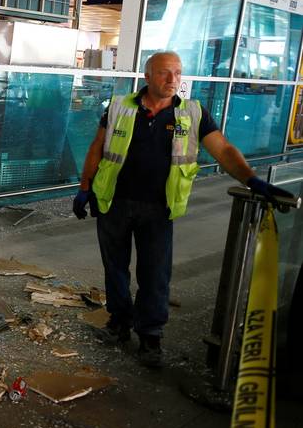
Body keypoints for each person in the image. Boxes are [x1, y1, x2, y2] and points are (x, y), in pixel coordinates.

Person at [73, 51, 293, 368]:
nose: (173, 79)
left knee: (155, 275)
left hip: (159, 209)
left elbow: (224, 149)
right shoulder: (120, 107)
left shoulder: (192, 113)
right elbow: (98, 147)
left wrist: (252, 180)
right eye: (164, 73)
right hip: (113, 202)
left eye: (177, 72)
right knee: (115, 268)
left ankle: (150, 337)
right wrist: (84, 188)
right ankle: (119, 323)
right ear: (147, 76)